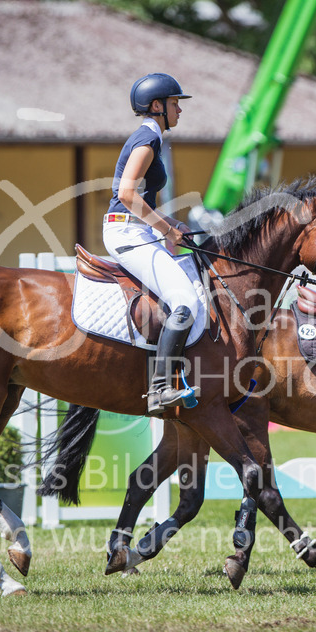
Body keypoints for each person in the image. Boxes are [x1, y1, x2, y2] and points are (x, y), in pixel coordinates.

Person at [103, 72, 201, 415]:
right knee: (186, 301)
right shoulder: (147, 138)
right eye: (175, 103)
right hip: (127, 232)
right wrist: (166, 229)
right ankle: (160, 388)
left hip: (137, 230)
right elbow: (127, 194)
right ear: (157, 106)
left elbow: (140, 195)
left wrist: (169, 223)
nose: (179, 110)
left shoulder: (151, 136)